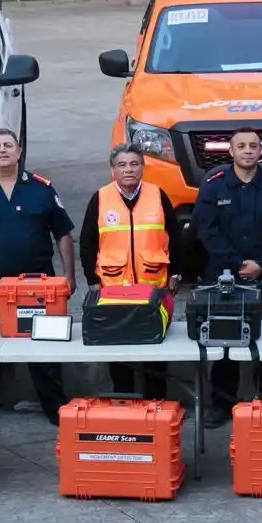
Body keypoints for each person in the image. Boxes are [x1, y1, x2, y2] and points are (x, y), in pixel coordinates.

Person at [0, 129, 75, 427]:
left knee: (44, 345)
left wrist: (68, 276)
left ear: (19, 152)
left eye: (9, 145)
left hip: (38, 287)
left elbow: (62, 234)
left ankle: (55, 405)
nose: (3, 150)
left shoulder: (41, 188)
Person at [193, 128, 262, 429]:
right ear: (231, 151)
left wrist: (261, 263)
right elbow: (207, 231)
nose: (248, 150)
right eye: (241, 146)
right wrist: (238, 264)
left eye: (253, 145)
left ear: (260, 150)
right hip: (225, 277)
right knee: (224, 342)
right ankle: (221, 403)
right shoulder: (213, 186)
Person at [79, 142, 181, 400]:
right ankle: (123, 402)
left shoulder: (158, 195)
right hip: (114, 290)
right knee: (119, 351)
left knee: (155, 353)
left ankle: (157, 404)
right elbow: (88, 241)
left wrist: (176, 273)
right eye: (122, 165)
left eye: (134, 164)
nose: (129, 169)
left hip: (153, 290)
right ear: (112, 170)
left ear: (143, 168)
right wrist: (91, 280)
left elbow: (177, 237)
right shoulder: (100, 198)